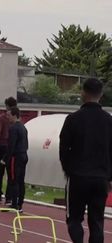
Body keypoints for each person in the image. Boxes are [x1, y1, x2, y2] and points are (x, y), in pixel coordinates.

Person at [59, 78, 112, 243]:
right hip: (100, 178)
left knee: (74, 218)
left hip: (78, 176)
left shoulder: (73, 119)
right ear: (101, 95)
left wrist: (69, 170)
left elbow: (63, 149)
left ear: (83, 93)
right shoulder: (109, 121)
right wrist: (109, 177)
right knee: (96, 221)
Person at [2, 107, 28, 213]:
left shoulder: (13, 128)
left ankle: (14, 204)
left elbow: (11, 145)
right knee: (21, 180)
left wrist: (6, 158)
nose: (8, 117)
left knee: (14, 180)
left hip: (15, 157)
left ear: (14, 115)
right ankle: (20, 203)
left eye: (9, 115)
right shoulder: (23, 127)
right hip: (24, 155)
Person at [0, 96, 17, 204]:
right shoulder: (15, 119)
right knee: (10, 172)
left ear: (7, 105)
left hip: (2, 145)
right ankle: (9, 197)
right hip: (12, 147)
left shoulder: (2, 117)